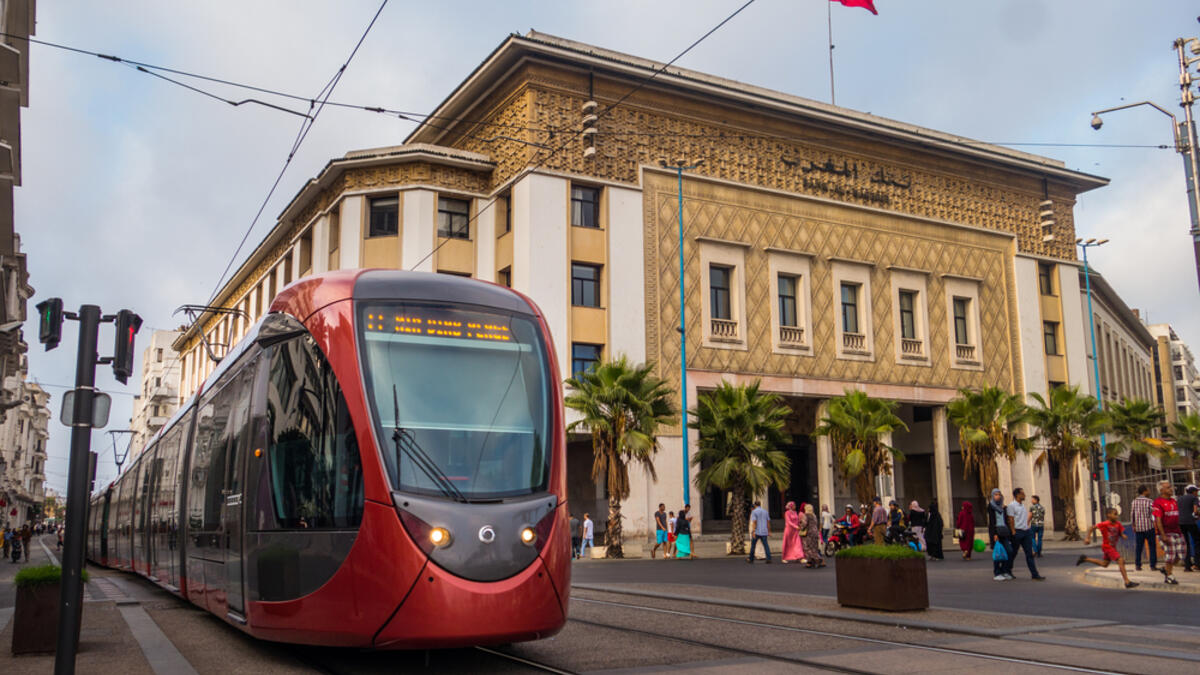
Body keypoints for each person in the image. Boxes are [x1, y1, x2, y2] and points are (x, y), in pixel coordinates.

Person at [1077, 508, 1139, 589]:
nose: (1116, 516)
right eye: (1115, 514)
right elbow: (1091, 528)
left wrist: (1123, 536)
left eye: (1117, 514)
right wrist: (1088, 538)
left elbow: (1120, 533)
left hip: (1113, 547)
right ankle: (1127, 582)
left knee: (1104, 564)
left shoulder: (1118, 524)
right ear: (1108, 515)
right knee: (1121, 560)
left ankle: (1085, 559)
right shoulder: (1105, 524)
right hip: (1107, 547)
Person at [1005, 487, 1045, 580]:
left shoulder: (1022, 505)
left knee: (1029, 554)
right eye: (1022, 493)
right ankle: (1007, 570)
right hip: (1017, 532)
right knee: (1013, 553)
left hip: (1026, 531)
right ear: (1017, 495)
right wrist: (1013, 531)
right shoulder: (1011, 506)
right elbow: (1010, 519)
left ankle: (1034, 574)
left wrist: (1027, 528)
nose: (1024, 495)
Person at [1152, 481, 1183, 585]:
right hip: (1166, 532)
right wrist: (1163, 535)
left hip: (1177, 531)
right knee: (1171, 555)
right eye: (1168, 487)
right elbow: (1158, 519)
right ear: (1162, 490)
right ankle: (1169, 576)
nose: (1171, 489)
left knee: (1181, 555)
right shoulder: (1158, 502)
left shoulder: (1173, 501)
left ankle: (1166, 569)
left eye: (1170, 487)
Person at [1130, 484, 1157, 571]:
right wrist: (1154, 521)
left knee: (1139, 547)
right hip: (1149, 526)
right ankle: (1152, 565)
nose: (1149, 491)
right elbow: (1154, 513)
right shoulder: (1150, 501)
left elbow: (1132, 514)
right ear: (1144, 491)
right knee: (1152, 546)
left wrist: (1133, 525)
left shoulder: (1134, 501)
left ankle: (1138, 565)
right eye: (1148, 490)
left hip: (1139, 527)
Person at [988, 488, 1013, 580]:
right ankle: (997, 573)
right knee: (998, 553)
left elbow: (1006, 520)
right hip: (996, 532)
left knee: (1009, 551)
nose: (998, 496)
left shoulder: (1003, 507)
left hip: (1004, 531)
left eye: (999, 494)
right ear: (992, 496)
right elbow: (991, 521)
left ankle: (1004, 571)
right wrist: (994, 534)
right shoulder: (991, 506)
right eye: (995, 494)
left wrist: (1009, 532)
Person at [1178, 484, 1199, 573]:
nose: (1197, 493)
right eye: (1196, 491)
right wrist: (1196, 516)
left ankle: (1187, 566)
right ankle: (1198, 564)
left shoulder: (1180, 498)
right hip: (1190, 522)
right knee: (1197, 541)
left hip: (1181, 523)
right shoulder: (1194, 498)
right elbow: (1195, 510)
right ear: (1193, 492)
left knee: (1185, 543)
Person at [802, 503, 824, 568]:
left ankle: (819, 559)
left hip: (809, 533)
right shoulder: (814, 515)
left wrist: (800, 527)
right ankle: (811, 562)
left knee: (808, 548)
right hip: (815, 532)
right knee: (814, 548)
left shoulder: (806, 515)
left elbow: (804, 524)